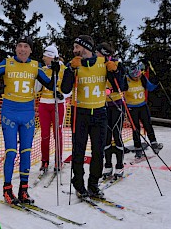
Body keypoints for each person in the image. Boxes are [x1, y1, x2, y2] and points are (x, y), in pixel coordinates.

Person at [0, 35, 56, 204]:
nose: (22, 49)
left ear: (30, 50)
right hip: (9, 114)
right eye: (20, 46)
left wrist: (57, 71)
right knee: (11, 152)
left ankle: (24, 190)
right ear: (16, 48)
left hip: (27, 115)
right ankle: (7, 189)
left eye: (26, 46)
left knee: (26, 152)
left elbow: (50, 85)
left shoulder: (35, 66)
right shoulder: (7, 63)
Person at [60, 35, 123, 199]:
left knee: (98, 152)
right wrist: (69, 70)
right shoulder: (74, 64)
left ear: (85, 47)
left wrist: (114, 71)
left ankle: (93, 184)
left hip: (100, 113)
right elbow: (65, 89)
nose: (74, 51)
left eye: (76, 47)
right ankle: (79, 184)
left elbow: (120, 87)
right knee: (78, 151)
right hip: (80, 113)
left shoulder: (102, 64)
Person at [95, 42, 127, 179]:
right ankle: (108, 165)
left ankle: (119, 165)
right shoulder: (97, 66)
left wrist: (115, 71)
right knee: (105, 136)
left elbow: (122, 85)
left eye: (98, 54)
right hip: (103, 104)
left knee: (117, 134)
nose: (96, 55)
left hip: (117, 104)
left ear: (105, 55)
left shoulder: (117, 65)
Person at [37, 45, 67, 172]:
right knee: (44, 134)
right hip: (44, 104)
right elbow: (37, 88)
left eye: (45, 56)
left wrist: (62, 94)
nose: (44, 58)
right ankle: (44, 161)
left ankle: (58, 161)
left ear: (51, 56)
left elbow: (69, 88)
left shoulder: (63, 69)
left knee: (57, 133)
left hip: (58, 104)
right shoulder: (43, 69)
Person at [125, 62, 163, 159]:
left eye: (138, 75)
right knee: (135, 128)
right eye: (135, 77)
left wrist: (156, 82)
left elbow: (150, 88)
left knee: (148, 124)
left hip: (142, 105)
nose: (137, 78)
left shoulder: (142, 78)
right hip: (131, 107)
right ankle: (138, 150)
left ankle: (154, 144)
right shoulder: (126, 80)